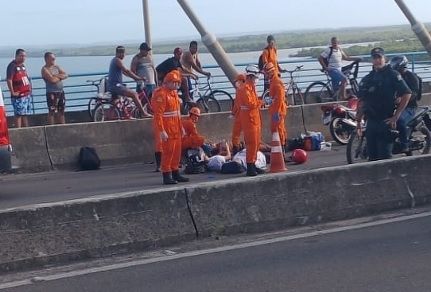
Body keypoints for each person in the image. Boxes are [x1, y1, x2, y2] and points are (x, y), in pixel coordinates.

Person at [356, 47, 411, 161]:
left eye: (379, 57)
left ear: (384, 58)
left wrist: (396, 116)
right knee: (372, 159)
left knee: (385, 160)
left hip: (385, 121)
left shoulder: (392, 75)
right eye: (374, 58)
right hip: (371, 122)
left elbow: (407, 93)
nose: (377, 60)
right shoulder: (368, 78)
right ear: (372, 60)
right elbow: (362, 100)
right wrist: (358, 122)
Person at [152, 69, 189, 185]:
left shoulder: (174, 95)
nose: (177, 85)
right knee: (168, 152)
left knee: (177, 152)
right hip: (167, 128)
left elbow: (177, 114)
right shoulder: (161, 94)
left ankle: (175, 172)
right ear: (167, 82)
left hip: (176, 128)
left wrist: (181, 127)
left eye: (178, 83)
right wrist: (161, 130)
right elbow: (158, 115)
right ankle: (166, 174)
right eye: (174, 82)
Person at [235, 64, 264, 176]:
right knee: (251, 143)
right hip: (249, 120)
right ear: (251, 76)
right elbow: (251, 103)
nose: (257, 80)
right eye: (256, 77)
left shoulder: (251, 88)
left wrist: (259, 102)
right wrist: (261, 102)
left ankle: (254, 164)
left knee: (256, 143)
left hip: (254, 118)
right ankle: (250, 166)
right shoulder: (244, 89)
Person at [390, 55, 420, 152]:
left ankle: (404, 144)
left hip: (410, 107)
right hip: (395, 106)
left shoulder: (411, 77)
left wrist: (402, 99)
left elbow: (414, 94)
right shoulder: (394, 77)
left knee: (400, 120)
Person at [107, 46, 145, 116]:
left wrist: (134, 78)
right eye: (124, 54)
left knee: (116, 101)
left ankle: (111, 116)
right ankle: (143, 113)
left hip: (112, 85)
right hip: (116, 86)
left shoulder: (114, 60)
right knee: (134, 94)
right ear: (120, 53)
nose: (124, 56)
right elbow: (126, 70)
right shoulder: (117, 60)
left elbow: (125, 73)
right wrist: (138, 78)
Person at [264, 62, 288, 152]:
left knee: (279, 129)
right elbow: (273, 98)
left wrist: (276, 112)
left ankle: (282, 148)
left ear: (270, 72)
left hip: (278, 111)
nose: (265, 75)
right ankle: (281, 148)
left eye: (266, 73)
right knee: (276, 129)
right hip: (275, 110)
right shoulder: (273, 81)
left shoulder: (277, 82)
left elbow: (279, 98)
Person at [6, 49, 32, 128]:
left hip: (26, 94)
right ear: (16, 56)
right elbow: (9, 79)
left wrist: (30, 87)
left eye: (24, 56)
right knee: (19, 114)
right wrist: (12, 92)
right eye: (21, 56)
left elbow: (26, 77)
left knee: (25, 114)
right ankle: (19, 130)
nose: (23, 58)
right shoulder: (12, 66)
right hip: (19, 95)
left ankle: (26, 128)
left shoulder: (22, 66)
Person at [41, 52, 68, 125]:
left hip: (60, 92)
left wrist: (56, 76)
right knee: (52, 111)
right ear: (46, 59)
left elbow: (66, 75)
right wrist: (60, 76)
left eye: (54, 59)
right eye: (52, 59)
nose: (54, 60)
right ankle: (51, 127)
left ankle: (63, 125)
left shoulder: (57, 67)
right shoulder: (44, 69)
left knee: (61, 110)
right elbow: (52, 80)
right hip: (51, 93)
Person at [231, 74, 246, 155]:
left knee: (235, 136)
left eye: (237, 81)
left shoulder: (240, 90)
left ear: (241, 81)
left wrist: (233, 113)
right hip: (246, 116)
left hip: (240, 116)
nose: (236, 83)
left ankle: (236, 151)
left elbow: (237, 104)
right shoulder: (247, 89)